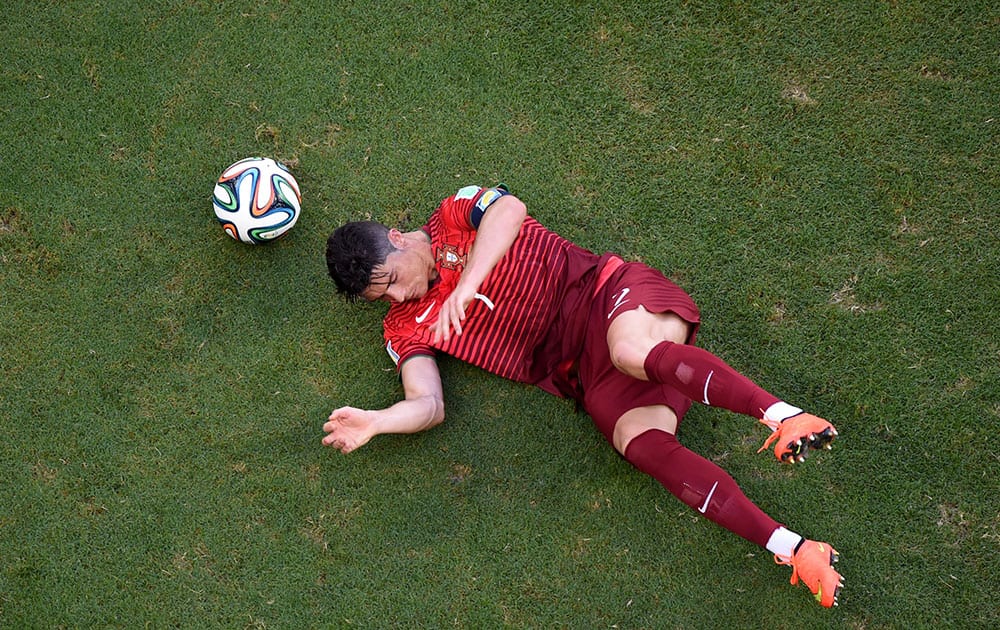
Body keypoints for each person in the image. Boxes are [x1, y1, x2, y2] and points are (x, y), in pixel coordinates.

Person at [323, 184, 844, 607]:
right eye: (382, 297)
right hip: (583, 376)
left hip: (609, 297)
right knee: (639, 445)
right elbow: (429, 405)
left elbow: (509, 210)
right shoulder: (403, 328)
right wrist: (378, 421)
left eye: (392, 279)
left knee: (630, 352)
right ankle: (794, 548)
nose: (397, 296)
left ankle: (782, 416)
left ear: (398, 238)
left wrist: (467, 285)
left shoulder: (453, 214)